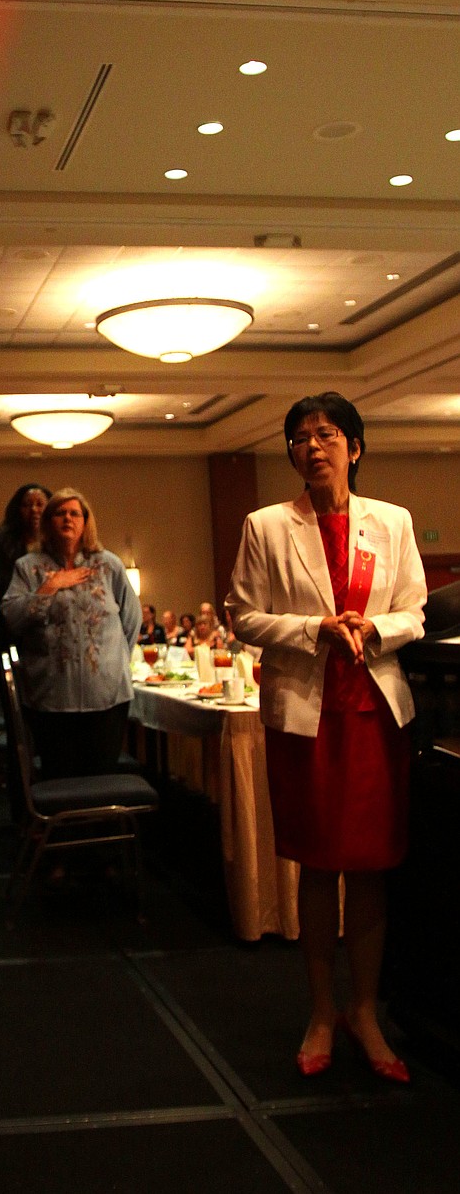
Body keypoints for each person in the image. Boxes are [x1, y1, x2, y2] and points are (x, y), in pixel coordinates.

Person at [226, 392, 426, 1083]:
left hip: (373, 713)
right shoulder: (267, 525)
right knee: (317, 864)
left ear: (355, 446)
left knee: (370, 865)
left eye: (327, 434)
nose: (313, 446)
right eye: (300, 437)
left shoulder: (391, 522)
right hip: (304, 715)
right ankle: (320, 1009)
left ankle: (365, 1010)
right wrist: (312, 628)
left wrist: (374, 628)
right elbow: (243, 616)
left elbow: (415, 610)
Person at [1, 487, 142, 780]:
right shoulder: (28, 568)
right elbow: (12, 617)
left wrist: (112, 662)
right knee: (60, 778)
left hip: (106, 695)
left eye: (75, 513)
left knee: (100, 778)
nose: (67, 519)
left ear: (85, 521)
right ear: (48, 522)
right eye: (60, 513)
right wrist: (50, 587)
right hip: (50, 697)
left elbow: (131, 619)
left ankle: (100, 826)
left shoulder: (109, 565)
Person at [0, 483, 51, 610]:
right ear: (17, 509)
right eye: (27, 505)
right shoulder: (2, 542)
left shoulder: (58, 543)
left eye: (40, 504)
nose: (34, 509)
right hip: (12, 615)